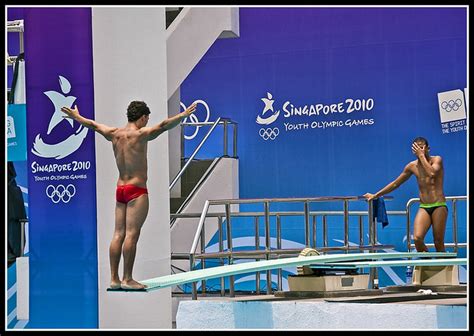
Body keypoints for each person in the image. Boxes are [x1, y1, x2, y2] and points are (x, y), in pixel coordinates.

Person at [61, 101, 196, 290]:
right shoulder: (140, 135)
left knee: (118, 234)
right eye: (147, 118)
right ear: (142, 117)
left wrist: (78, 118)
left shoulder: (114, 134)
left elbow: (93, 125)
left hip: (121, 190)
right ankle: (127, 279)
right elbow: (164, 125)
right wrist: (182, 116)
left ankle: (114, 279)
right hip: (137, 191)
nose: (147, 121)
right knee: (132, 235)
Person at [363, 137, 447, 252]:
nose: (419, 149)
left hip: (439, 205)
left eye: (421, 147)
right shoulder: (412, 166)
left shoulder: (437, 159)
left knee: (438, 241)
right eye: (416, 147)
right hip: (424, 207)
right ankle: (427, 266)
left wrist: (421, 156)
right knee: (417, 238)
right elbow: (395, 184)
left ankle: (443, 268)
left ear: (428, 148)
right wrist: (375, 195)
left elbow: (432, 173)